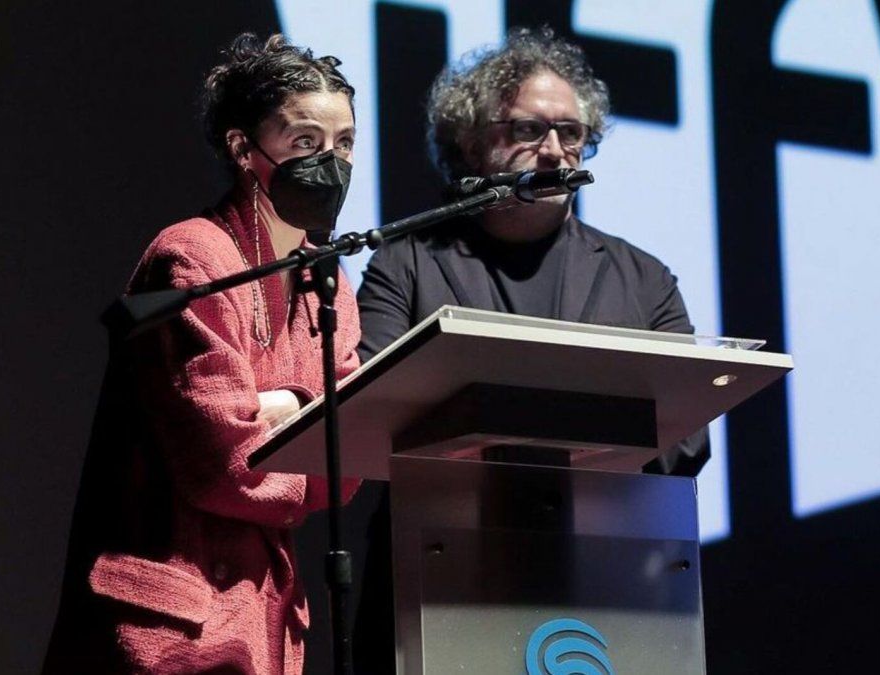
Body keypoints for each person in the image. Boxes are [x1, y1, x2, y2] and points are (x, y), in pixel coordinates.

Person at [349, 26, 709, 673]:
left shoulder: (643, 277)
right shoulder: (405, 264)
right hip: (439, 575)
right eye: (528, 130)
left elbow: (686, 437)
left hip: (608, 581)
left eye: (570, 133)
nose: (553, 151)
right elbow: (370, 413)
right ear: (470, 140)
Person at [43, 33, 362, 674]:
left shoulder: (327, 280)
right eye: (304, 142)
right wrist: (307, 421)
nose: (329, 164)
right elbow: (223, 465)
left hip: (264, 619)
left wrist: (281, 408)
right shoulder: (192, 256)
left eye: (344, 144)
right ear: (243, 147)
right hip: (171, 623)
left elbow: (347, 456)